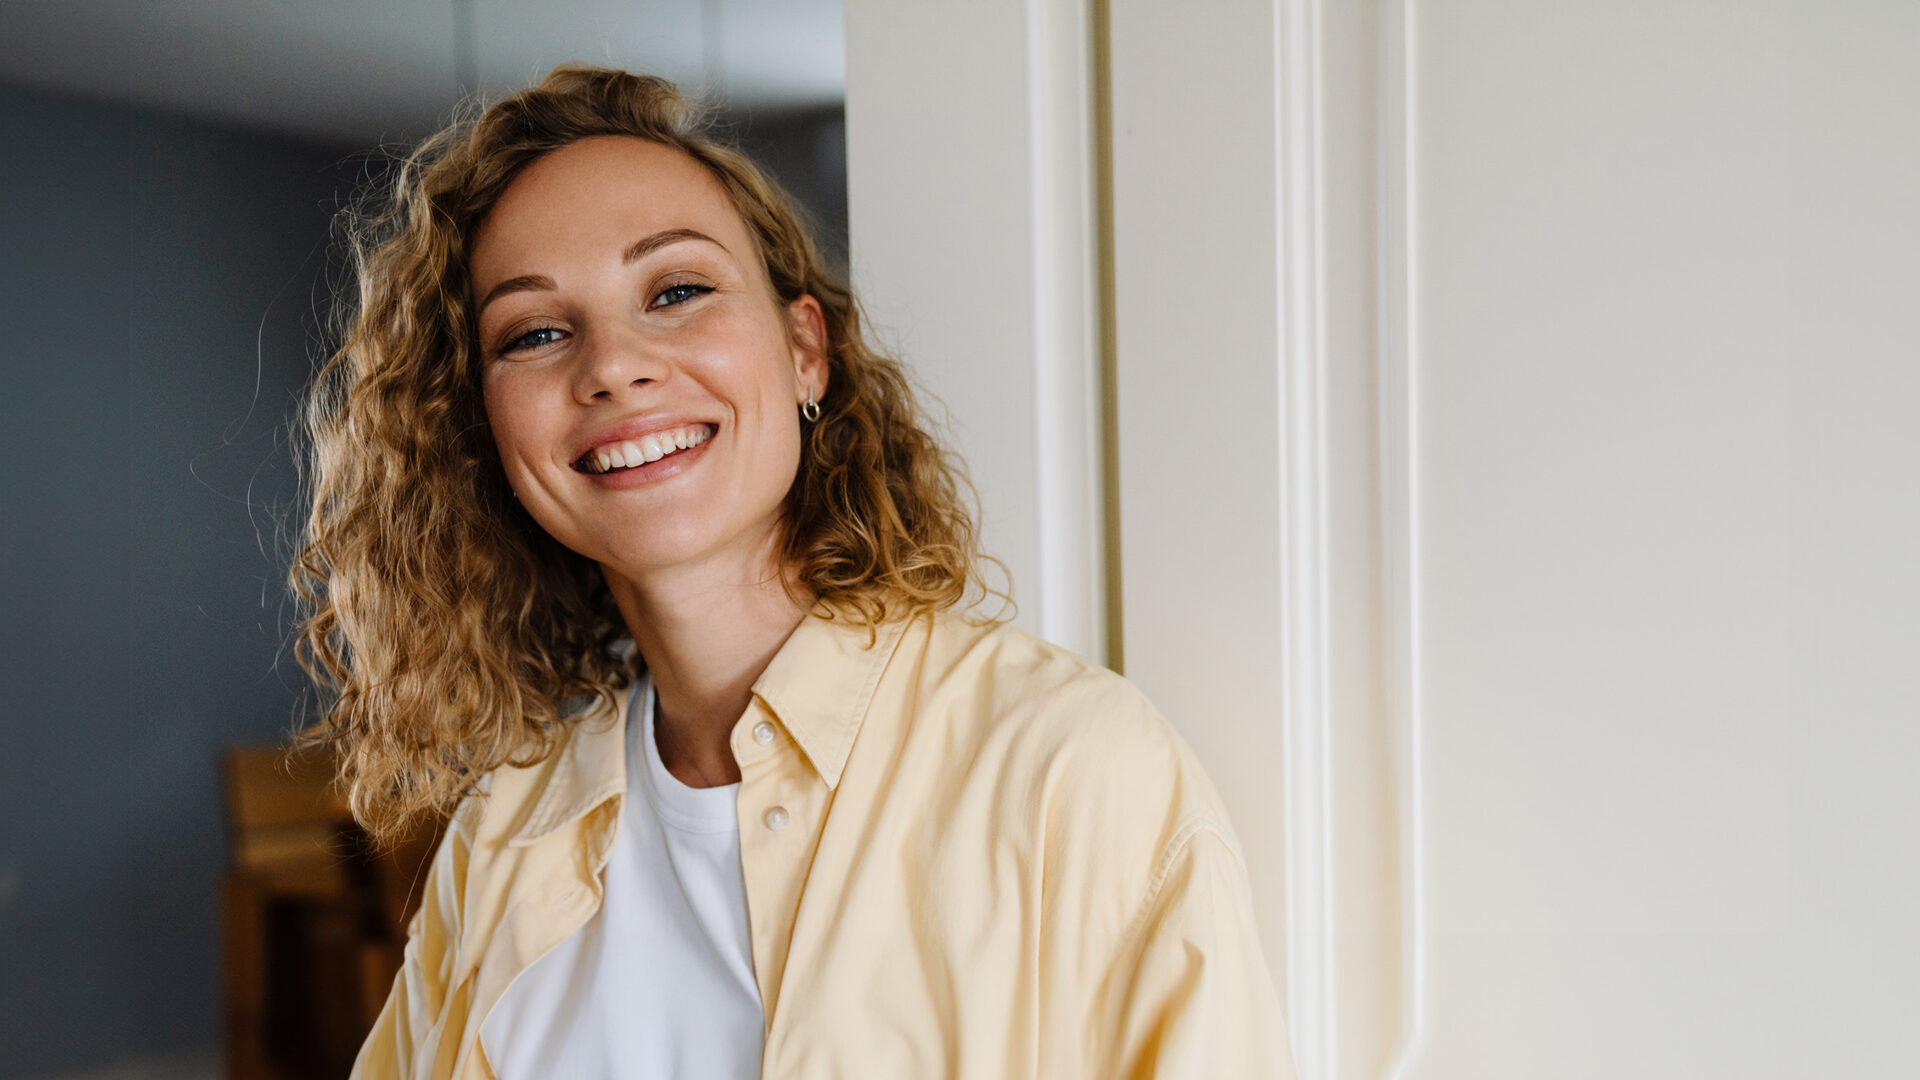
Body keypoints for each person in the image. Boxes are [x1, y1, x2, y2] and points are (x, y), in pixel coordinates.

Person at [290, 64, 1296, 1080]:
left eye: (676, 291)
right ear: (487, 433)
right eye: (536, 333)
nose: (612, 366)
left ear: (805, 350)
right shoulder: (500, 838)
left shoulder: (1069, 770)